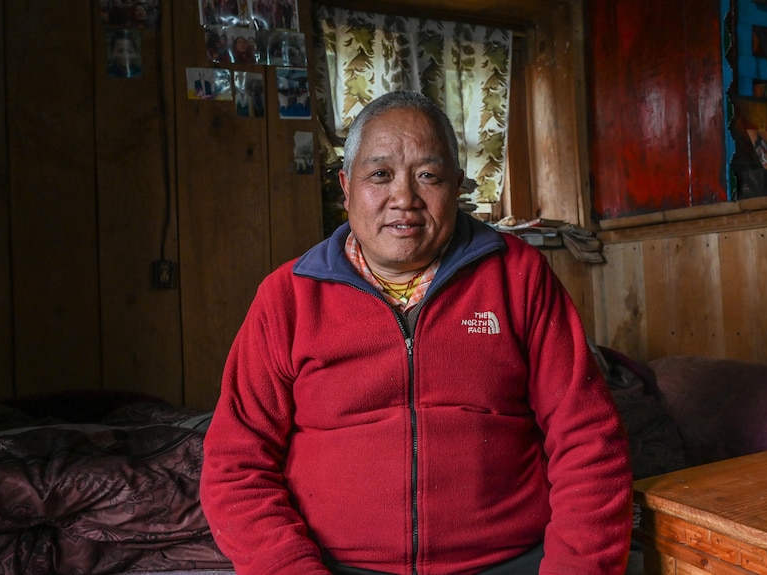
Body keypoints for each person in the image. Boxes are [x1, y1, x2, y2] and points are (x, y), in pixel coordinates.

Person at [200, 90, 633, 575]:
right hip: (334, 566)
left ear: (457, 187)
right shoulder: (288, 297)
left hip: (509, 560)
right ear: (346, 187)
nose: (404, 198)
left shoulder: (518, 275)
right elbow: (235, 466)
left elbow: (589, 439)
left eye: (428, 176)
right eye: (380, 175)